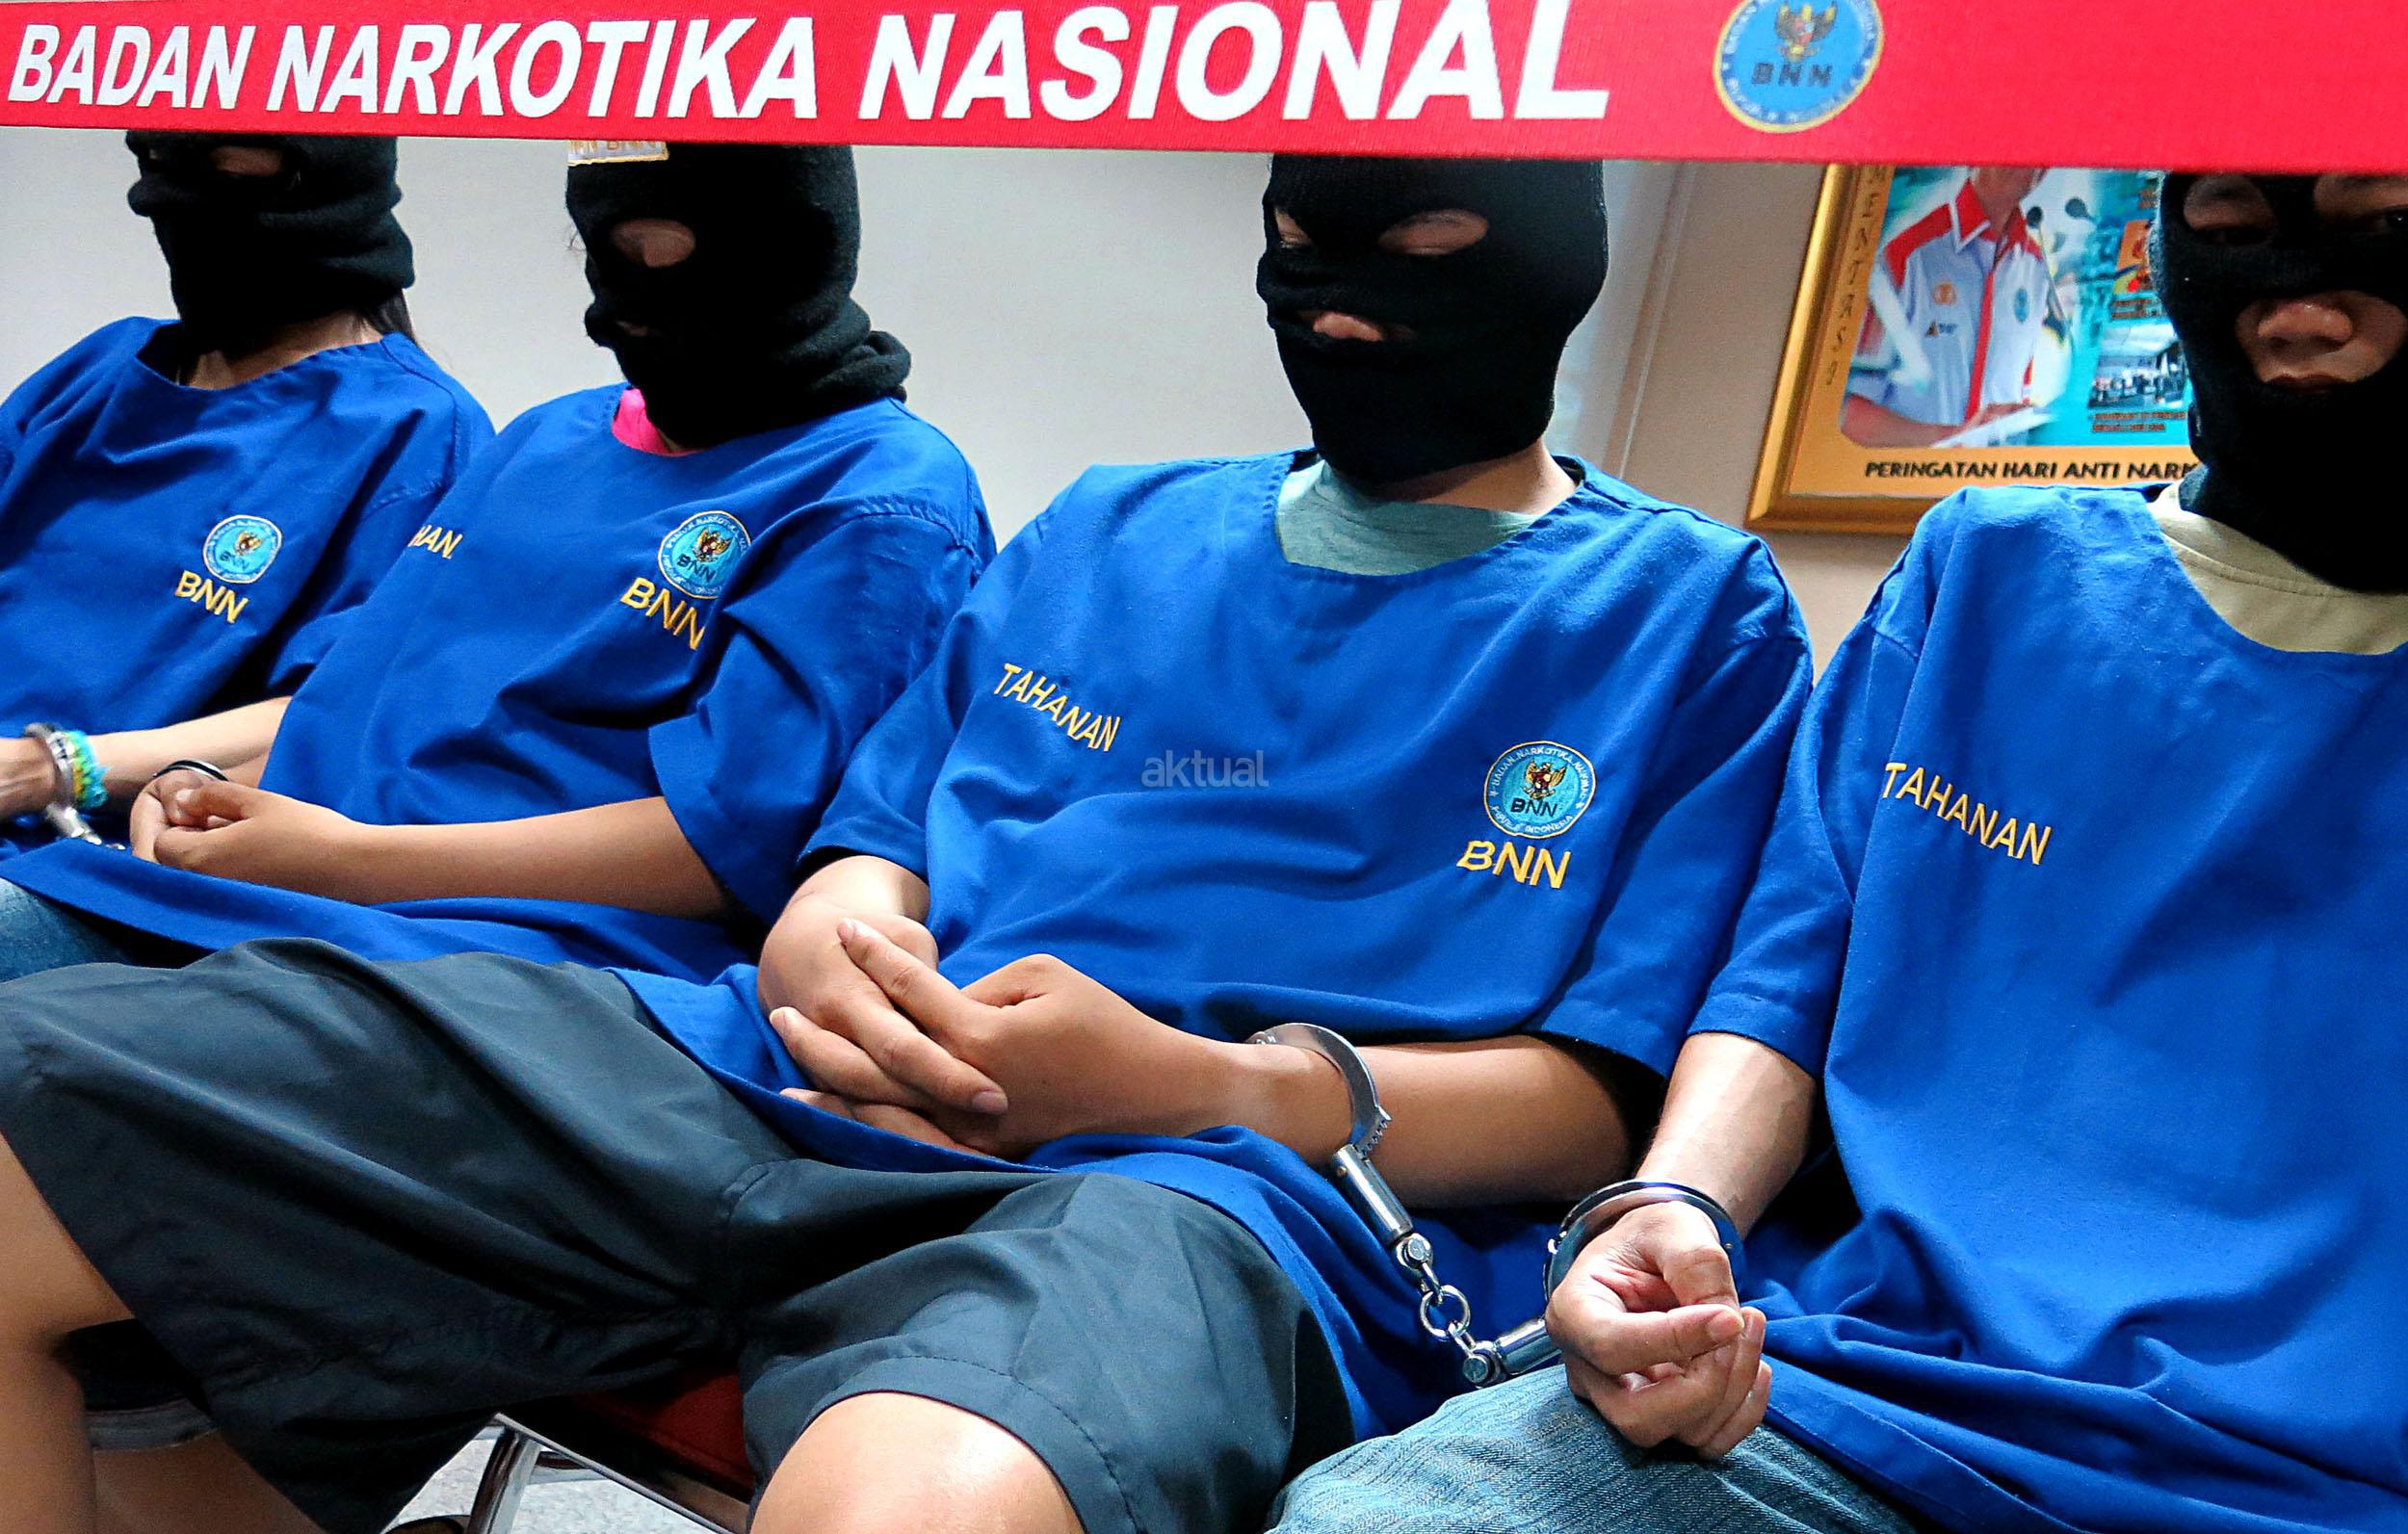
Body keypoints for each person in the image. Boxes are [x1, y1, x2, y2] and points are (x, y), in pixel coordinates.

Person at [0, 154, 1812, 1534]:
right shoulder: (1111, 526)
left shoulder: (1688, 610)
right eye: (1299, 244)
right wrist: (837, 944)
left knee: (911, 1501)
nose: (1343, 311)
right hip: (775, 1070)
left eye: (1428, 249)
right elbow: (869, 844)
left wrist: (1194, 1081)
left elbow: (1597, 1098)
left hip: (1196, 1184)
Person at [1267, 169, 2408, 1534]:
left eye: (2382, 224)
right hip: (1850, 1397)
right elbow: (1788, 973)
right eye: (2227, 232)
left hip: (2320, 1477)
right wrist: (1674, 1207)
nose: (2293, 306)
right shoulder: (1994, 573)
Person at [0, 139, 990, 990]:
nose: (635, 292)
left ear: (796, 248)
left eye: (673, 251)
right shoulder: (549, 437)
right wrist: (198, 786)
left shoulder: (878, 499)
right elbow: (354, 710)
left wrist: (348, 861)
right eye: (608, 251)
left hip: (482, 959)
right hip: (263, 905)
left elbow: (735, 842)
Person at [0, 132, 488, 855]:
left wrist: (49, 769)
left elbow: (349, 709)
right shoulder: (102, 367)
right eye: (155, 165)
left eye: (234, 169)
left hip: (91, 857)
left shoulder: (414, 430)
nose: (176, 201)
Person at [1842, 166, 2053, 449]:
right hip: (1910, 473)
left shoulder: (2035, 266)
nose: (2036, 166)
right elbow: (1848, 414)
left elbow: (2019, 388)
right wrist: (1953, 439)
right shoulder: (1905, 253)